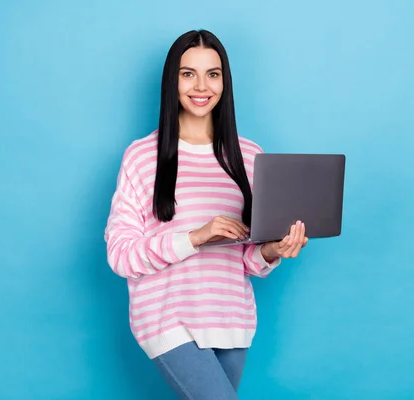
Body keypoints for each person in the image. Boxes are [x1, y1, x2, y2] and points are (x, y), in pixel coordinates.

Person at [104, 29, 307, 399]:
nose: (201, 86)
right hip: (168, 320)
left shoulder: (249, 156)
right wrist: (195, 237)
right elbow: (119, 254)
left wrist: (274, 250)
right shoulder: (142, 156)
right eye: (188, 74)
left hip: (232, 319)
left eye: (212, 74)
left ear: (225, 82)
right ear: (172, 81)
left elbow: (244, 258)